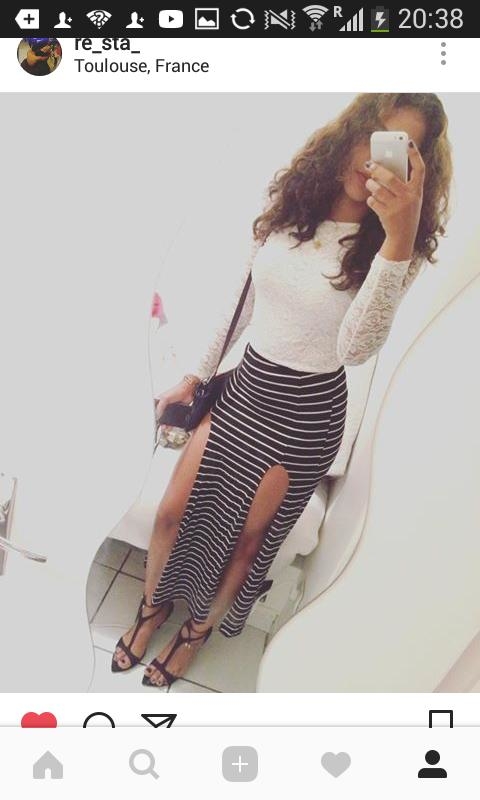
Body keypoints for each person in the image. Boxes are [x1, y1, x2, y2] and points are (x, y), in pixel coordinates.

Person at [111, 93, 452, 687]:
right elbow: (240, 302)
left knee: (246, 544)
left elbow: (355, 348)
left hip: (306, 411)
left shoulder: (395, 246)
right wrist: (196, 375)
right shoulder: (293, 201)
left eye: (399, 148)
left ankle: (195, 635)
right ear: (351, 130)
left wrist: (398, 240)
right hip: (248, 386)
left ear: (416, 168)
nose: (373, 159)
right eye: (373, 134)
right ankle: (152, 609)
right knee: (171, 514)